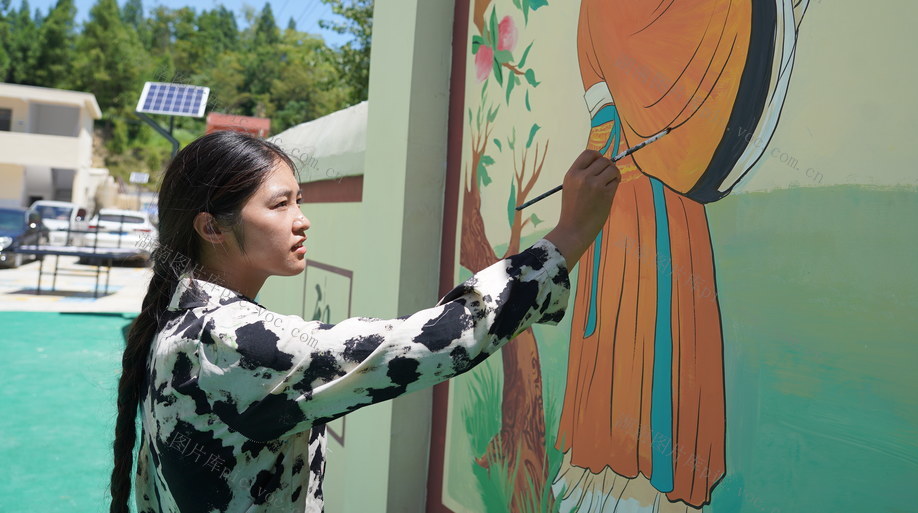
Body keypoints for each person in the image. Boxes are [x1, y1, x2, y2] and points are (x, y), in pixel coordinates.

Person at [108, 130, 619, 512]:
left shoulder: (179, 322)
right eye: (280, 204)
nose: (302, 219)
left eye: (299, 200)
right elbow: (434, 341)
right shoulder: (229, 342)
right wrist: (570, 234)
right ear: (211, 228)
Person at [554, 0, 827, 510]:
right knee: (640, 320)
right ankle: (627, 479)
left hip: (659, 177)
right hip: (628, 181)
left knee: (671, 319)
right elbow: (680, 6)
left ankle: (660, 475)